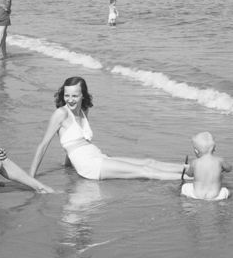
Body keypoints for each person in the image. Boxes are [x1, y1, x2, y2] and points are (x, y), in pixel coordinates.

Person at [29, 77, 188, 181]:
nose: (70, 100)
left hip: (97, 156)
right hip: (90, 166)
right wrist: (30, 178)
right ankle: (191, 179)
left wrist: (67, 166)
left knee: (149, 162)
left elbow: (74, 141)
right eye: (67, 95)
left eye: (75, 96)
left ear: (82, 95)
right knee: (146, 172)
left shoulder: (84, 111)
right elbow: (43, 145)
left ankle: (189, 169)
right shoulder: (60, 114)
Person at [180, 132, 232, 201]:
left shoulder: (195, 162)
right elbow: (229, 168)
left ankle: (184, 200)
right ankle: (224, 202)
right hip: (215, 196)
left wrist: (187, 168)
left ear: (196, 151)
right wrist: (223, 169)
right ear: (214, 149)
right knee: (226, 191)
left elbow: (190, 174)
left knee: (185, 187)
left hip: (197, 195)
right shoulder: (220, 161)